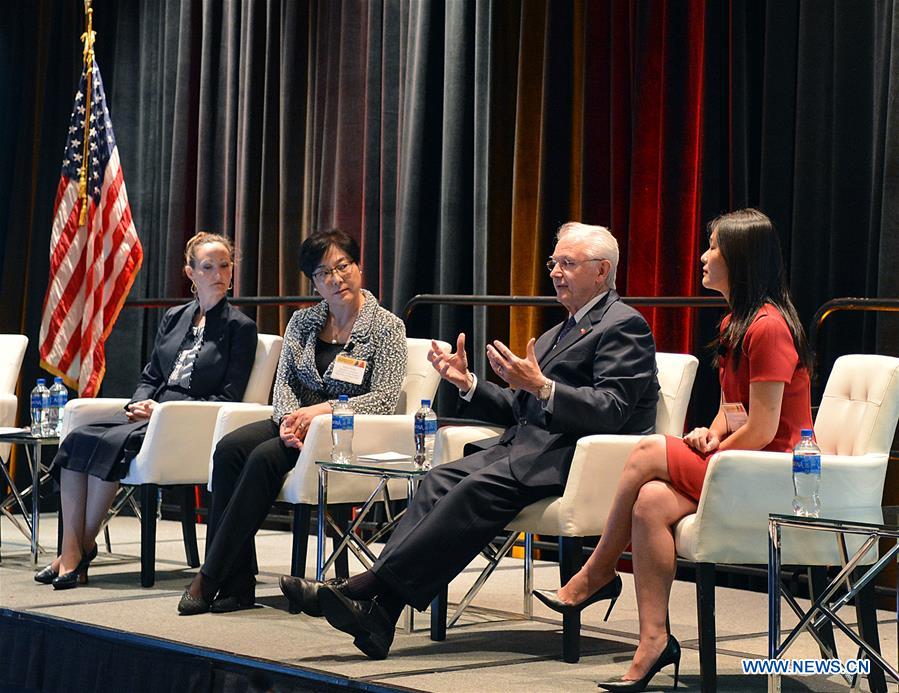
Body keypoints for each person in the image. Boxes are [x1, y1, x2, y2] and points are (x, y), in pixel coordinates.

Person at [285, 222, 659, 660]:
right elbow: (519, 409)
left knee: (472, 489)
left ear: (601, 271)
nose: (555, 272)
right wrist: (468, 384)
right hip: (527, 452)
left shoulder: (624, 324)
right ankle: (379, 615)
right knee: (437, 480)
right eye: (553, 263)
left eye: (567, 264)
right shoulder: (563, 330)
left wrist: (543, 388)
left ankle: (362, 588)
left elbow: (612, 408)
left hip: (576, 463)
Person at [535, 209, 813, 692]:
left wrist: (719, 447)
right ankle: (654, 641)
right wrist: (710, 430)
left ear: (741, 258)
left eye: (713, 248)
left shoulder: (768, 327)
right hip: (739, 463)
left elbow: (767, 429)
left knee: (646, 452)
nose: (703, 257)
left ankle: (598, 570)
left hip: (773, 475)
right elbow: (736, 409)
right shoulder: (736, 322)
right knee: (649, 503)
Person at [177, 228, 407, 615]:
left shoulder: (387, 328)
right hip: (295, 424)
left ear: (358, 267)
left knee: (263, 459)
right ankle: (239, 584)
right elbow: (283, 383)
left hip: (343, 433)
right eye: (323, 273)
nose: (336, 279)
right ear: (314, 282)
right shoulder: (303, 323)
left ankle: (210, 576)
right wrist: (287, 421)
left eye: (342, 266)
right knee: (230, 449)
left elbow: (382, 400)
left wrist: (323, 411)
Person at [36, 232, 258, 590]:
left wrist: (163, 411)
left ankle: (77, 552)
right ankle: (72, 550)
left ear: (232, 271)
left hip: (188, 421)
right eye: (207, 266)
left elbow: (229, 396)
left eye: (224, 265)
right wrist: (140, 402)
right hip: (152, 413)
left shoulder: (240, 328)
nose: (218, 273)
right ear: (190, 272)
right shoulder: (175, 317)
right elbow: (152, 374)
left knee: (109, 445)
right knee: (78, 440)